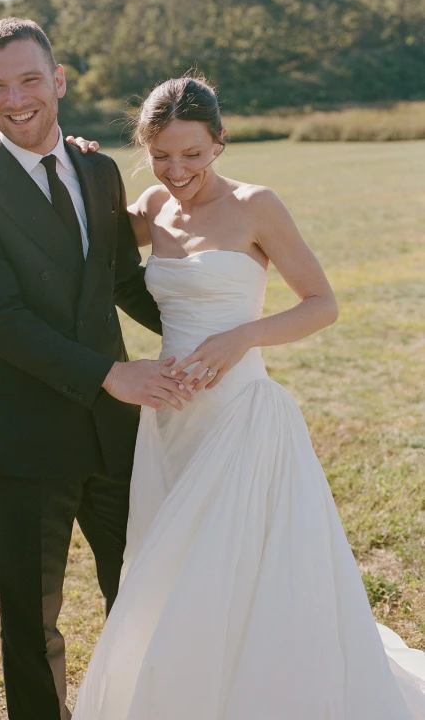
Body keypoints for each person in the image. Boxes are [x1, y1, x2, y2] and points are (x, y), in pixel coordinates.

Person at [72, 77, 425, 719]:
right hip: (169, 423)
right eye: (161, 155)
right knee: (174, 571)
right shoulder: (152, 206)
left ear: (220, 143)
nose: (177, 170)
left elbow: (323, 304)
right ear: (146, 150)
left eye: (193, 154)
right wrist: (80, 162)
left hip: (242, 417)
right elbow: (84, 229)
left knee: (248, 570)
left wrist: (242, 337)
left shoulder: (257, 205)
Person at [0, 18, 192, 720]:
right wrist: (114, 374)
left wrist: (205, 334)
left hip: (114, 430)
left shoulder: (98, 169)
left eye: (28, 80)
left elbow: (119, 278)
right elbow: (3, 323)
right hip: (24, 437)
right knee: (31, 622)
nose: (14, 98)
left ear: (59, 81)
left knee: (139, 591)